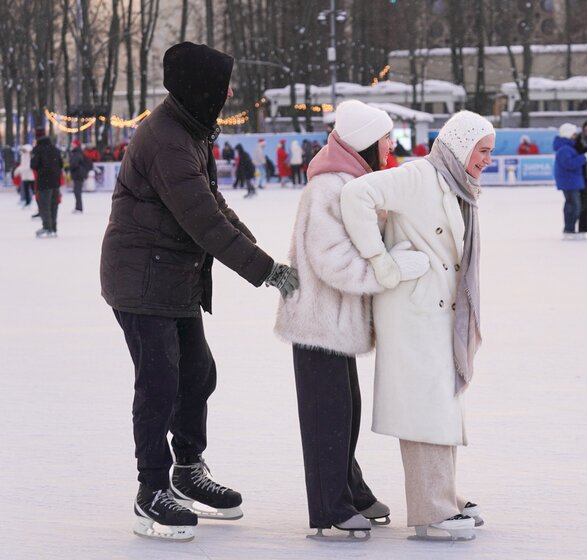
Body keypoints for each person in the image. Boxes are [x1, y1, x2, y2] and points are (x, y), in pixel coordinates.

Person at [99, 42, 300, 543]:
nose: (230, 93)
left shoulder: (188, 131)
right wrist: (266, 272)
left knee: (197, 372)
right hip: (141, 280)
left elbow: (215, 203)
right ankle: (151, 490)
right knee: (160, 384)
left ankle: (187, 469)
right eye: (223, 85)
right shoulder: (166, 139)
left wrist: (264, 256)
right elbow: (203, 221)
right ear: (199, 87)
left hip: (172, 276)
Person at [340, 110, 494, 541]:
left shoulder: (455, 184)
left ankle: (442, 495)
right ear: (461, 145)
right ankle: (431, 509)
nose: (487, 160)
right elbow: (356, 196)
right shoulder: (418, 176)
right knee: (427, 408)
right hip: (414, 311)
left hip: (436, 313)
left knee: (441, 404)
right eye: (482, 151)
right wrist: (382, 262)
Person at [275, 100, 413, 539]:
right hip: (318, 322)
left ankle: (349, 489)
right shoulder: (327, 189)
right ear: (366, 143)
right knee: (326, 416)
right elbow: (332, 260)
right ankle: (329, 505)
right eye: (386, 137)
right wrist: (388, 270)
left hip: (339, 324)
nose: (392, 144)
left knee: (345, 412)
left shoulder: (354, 182)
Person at [553, 123, 587, 240]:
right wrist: (584, 158)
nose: (575, 137)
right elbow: (569, 164)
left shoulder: (567, 147)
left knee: (572, 205)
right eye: (573, 134)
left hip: (571, 180)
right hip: (569, 181)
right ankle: (569, 229)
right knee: (574, 206)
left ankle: (570, 229)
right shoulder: (565, 149)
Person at [30, 128, 63, 238]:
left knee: (44, 205)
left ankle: (47, 228)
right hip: (55, 181)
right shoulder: (55, 149)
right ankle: (53, 227)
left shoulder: (37, 149)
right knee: (54, 205)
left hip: (44, 181)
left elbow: (33, 165)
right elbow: (61, 164)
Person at [68, 140, 92, 214]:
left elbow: (74, 164)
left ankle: (79, 208)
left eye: (73, 144)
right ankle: (78, 207)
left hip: (78, 174)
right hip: (79, 174)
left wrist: (69, 166)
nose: (71, 146)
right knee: (77, 191)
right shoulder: (78, 152)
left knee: (77, 191)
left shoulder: (77, 153)